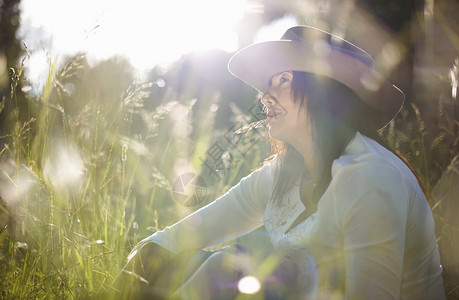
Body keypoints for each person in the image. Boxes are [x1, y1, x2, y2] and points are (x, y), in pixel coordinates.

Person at [115, 26, 445, 299]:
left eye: (282, 80)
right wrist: (145, 257)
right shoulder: (283, 172)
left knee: (227, 270)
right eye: (266, 84)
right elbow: (188, 235)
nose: (264, 96)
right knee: (182, 262)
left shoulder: (371, 177)